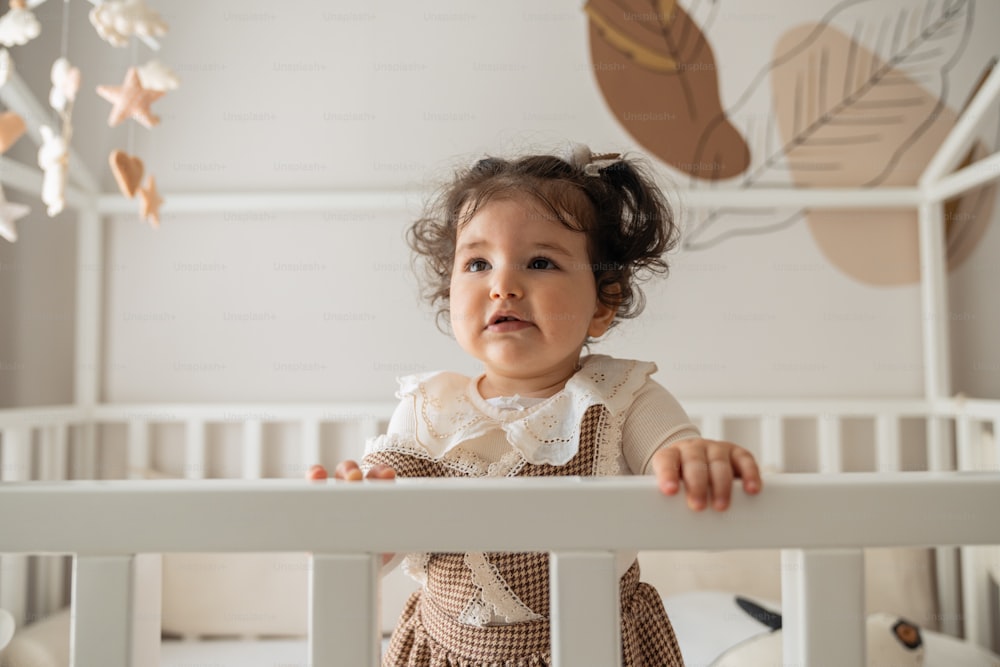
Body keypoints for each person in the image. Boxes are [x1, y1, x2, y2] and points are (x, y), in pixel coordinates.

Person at [313, 145, 762, 666]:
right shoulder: (427, 409)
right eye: (477, 262)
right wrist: (351, 522)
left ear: (603, 301)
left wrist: (693, 459)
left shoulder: (620, 397)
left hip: (593, 650)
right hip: (446, 653)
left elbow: (675, 454)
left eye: (540, 262)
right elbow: (384, 539)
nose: (503, 286)